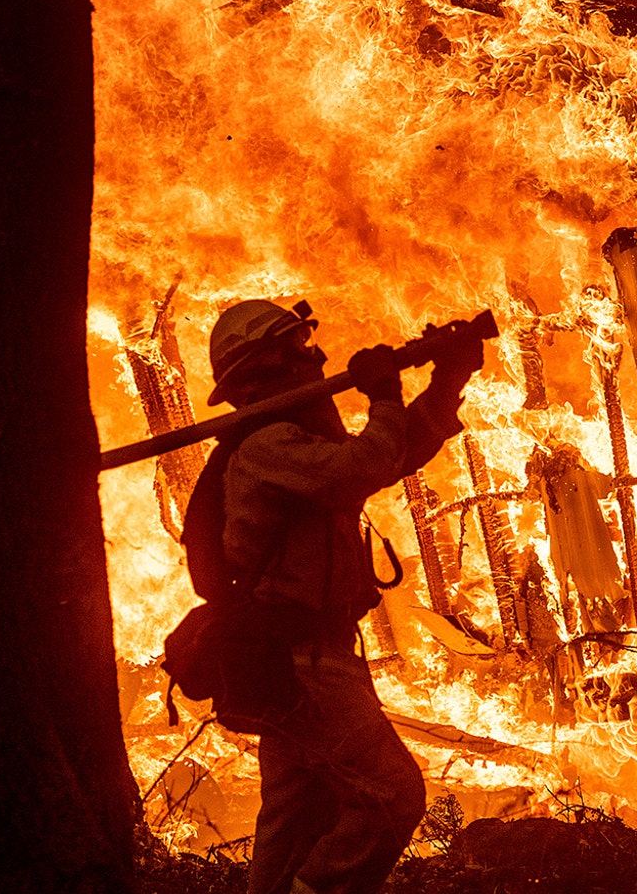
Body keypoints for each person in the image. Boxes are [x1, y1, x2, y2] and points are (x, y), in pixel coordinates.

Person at [192, 298, 481, 894]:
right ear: (268, 362)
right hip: (301, 663)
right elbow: (362, 466)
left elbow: (391, 453)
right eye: (301, 348)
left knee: (297, 820)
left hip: (295, 659)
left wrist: (448, 380)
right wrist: (383, 396)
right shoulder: (267, 445)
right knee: (392, 799)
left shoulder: (291, 440)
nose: (317, 357)